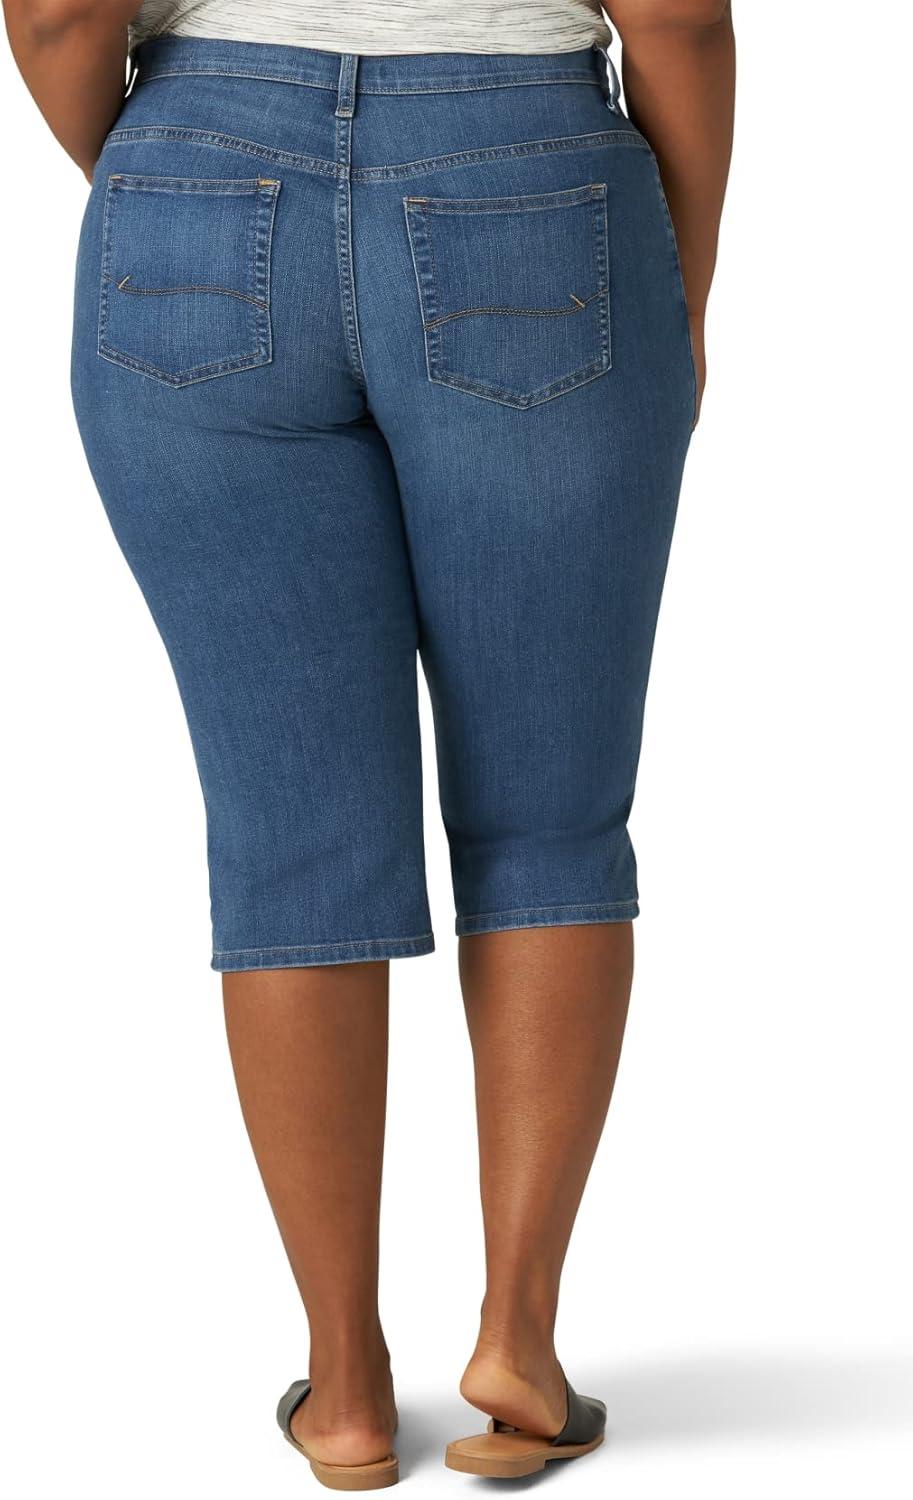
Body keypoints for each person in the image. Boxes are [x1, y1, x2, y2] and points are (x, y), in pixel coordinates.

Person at [3, 0, 734, 1488]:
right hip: (532, 183)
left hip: (195, 185)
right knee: (547, 818)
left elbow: (56, 11)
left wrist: (182, 169)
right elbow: (680, 17)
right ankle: (518, 1343)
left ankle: (342, 1384)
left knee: (292, 837)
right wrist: (685, 288)